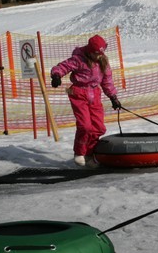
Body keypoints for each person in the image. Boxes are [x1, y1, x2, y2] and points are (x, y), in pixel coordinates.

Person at [50, 35, 122, 167]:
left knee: (98, 128)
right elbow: (63, 67)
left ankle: (89, 154)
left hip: (95, 94)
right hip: (78, 93)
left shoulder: (103, 61)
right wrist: (56, 75)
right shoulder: (79, 59)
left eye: (101, 53)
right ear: (90, 52)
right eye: (97, 54)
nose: (100, 56)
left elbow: (107, 81)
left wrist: (113, 97)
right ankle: (79, 152)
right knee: (85, 126)